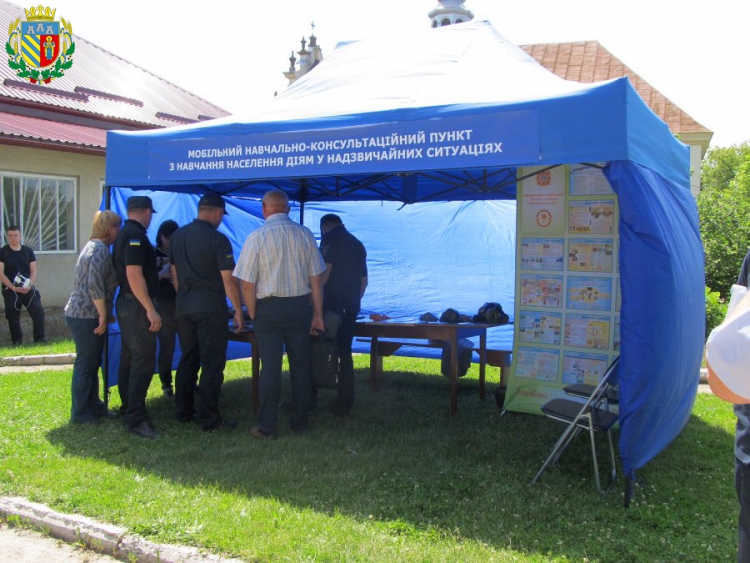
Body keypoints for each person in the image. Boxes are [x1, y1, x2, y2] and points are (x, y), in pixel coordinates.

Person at [233, 189, 325, 440]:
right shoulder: (305, 234)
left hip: (268, 309)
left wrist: (254, 312)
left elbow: (247, 283)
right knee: (301, 367)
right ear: (288, 209)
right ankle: (300, 422)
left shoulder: (256, 237)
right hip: (299, 307)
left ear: (264, 209)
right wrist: (317, 314)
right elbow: (316, 280)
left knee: (270, 369)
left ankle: (267, 427)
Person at [170, 194, 243, 432]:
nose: (221, 220)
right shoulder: (218, 239)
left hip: (184, 306)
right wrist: (238, 310)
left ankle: (183, 411)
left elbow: (174, 274)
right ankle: (209, 418)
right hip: (210, 308)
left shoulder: (178, 235)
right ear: (217, 212)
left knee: (188, 360)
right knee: (212, 363)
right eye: (222, 215)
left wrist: (185, 297)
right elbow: (229, 279)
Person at [64, 211, 121, 424]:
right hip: (86, 315)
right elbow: (94, 285)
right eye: (117, 228)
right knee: (86, 364)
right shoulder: (99, 251)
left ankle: (95, 406)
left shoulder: (91, 246)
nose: (118, 232)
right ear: (110, 229)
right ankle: (80, 413)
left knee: (93, 362)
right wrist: (103, 315)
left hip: (82, 313)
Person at [113, 196, 162, 439]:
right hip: (136, 305)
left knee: (130, 358)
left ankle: (128, 408)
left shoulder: (123, 233)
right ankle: (137, 418)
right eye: (151, 214)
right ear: (146, 212)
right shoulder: (135, 236)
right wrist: (149, 308)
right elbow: (133, 275)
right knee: (143, 360)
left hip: (127, 303)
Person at [317, 213, 368, 416]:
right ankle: (345, 401)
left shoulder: (329, 239)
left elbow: (324, 273)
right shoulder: (358, 244)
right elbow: (364, 281)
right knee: (345, 353)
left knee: (319, 349)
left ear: (324, 227)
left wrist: (315, 303)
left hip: (330, 307)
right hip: (350, 308)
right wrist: (353, 301)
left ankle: (311, 397)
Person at [0, 225, 46, 345]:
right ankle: (17, 341)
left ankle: (40, 339)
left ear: (20, 236)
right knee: (12, 314)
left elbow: (33, 271)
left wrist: (29, 285)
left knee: (38, 311)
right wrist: (14, 288)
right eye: (10, 236)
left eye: (15, 235)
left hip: (27, 288)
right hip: (11, 289)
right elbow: (1, 274)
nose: (13, 238)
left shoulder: (27, 251)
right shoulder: (3, 252)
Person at [154, 220, 179, 398]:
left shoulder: (180, 251)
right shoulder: (153, 253)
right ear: (161, 236)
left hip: (181, 303)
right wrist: (162, 273)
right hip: (163, 304)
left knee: (189, 345)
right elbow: (146, 279)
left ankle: (189, 381)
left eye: (173, 238)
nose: (169, 241)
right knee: (167, 346)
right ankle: (166, 385)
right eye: (167, 237)